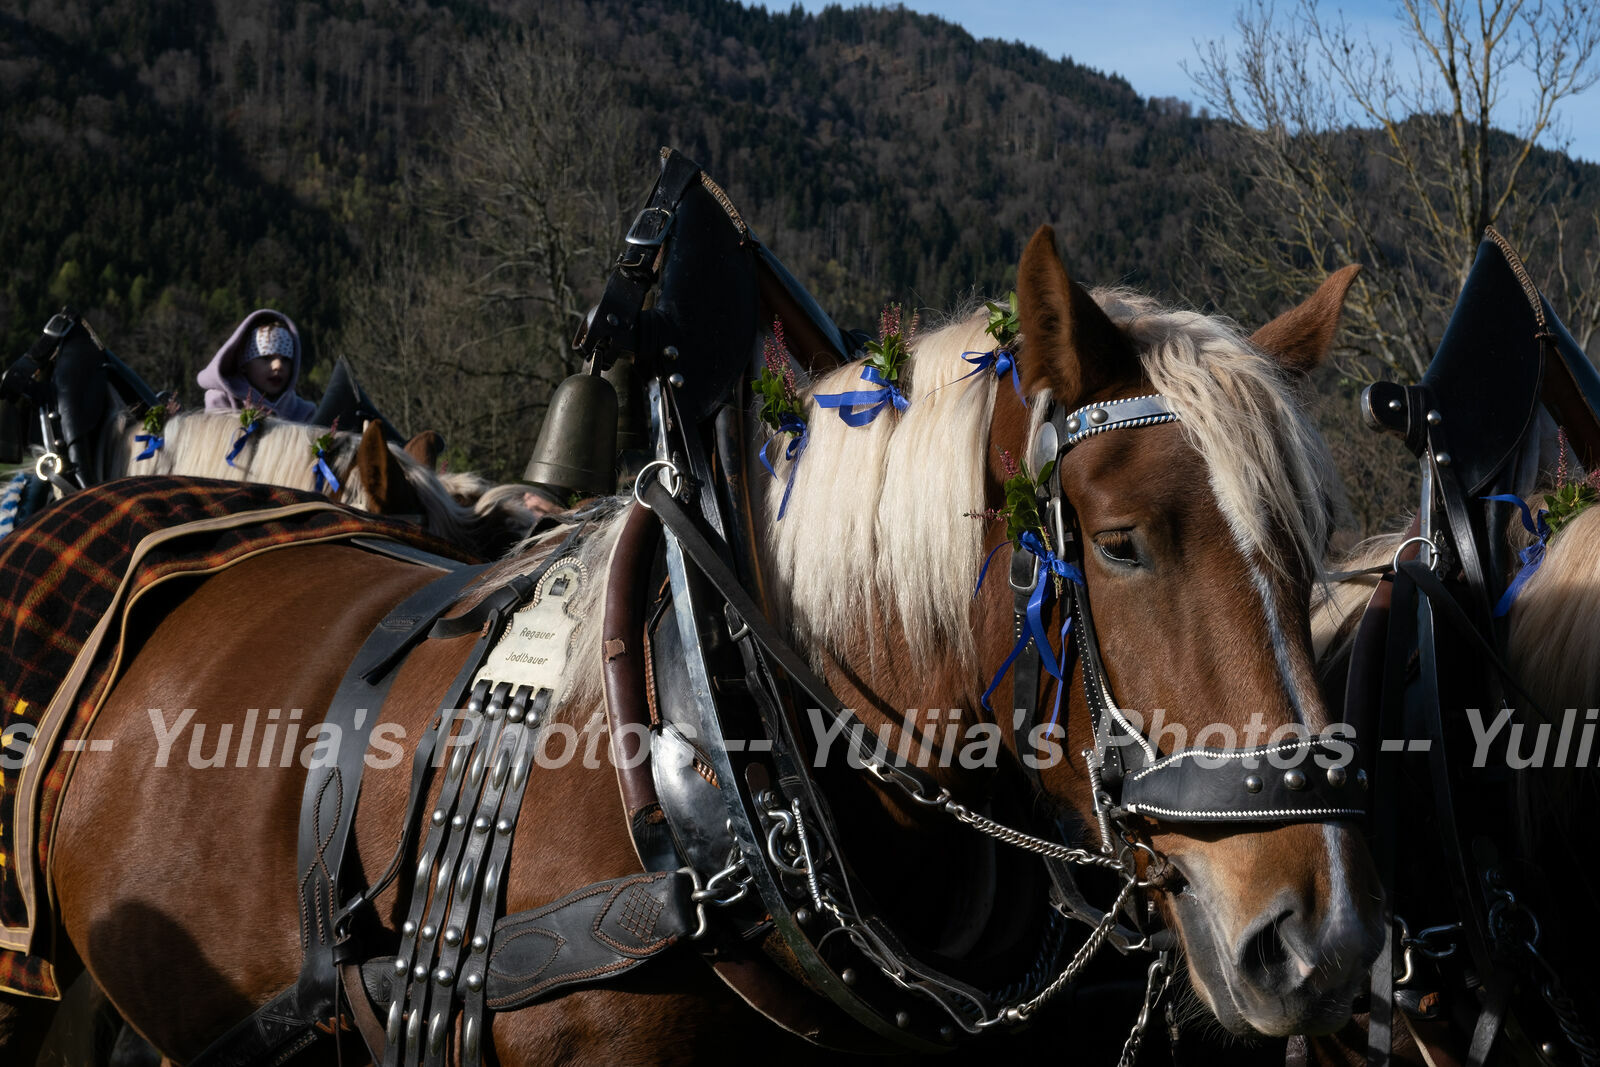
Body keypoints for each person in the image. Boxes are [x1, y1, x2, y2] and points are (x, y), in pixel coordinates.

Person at [197, 309, 316, 421]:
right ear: (243, 364)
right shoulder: (222, 400)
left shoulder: (303, 412)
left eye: (285, 359)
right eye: (266, 358)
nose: (278, 366)